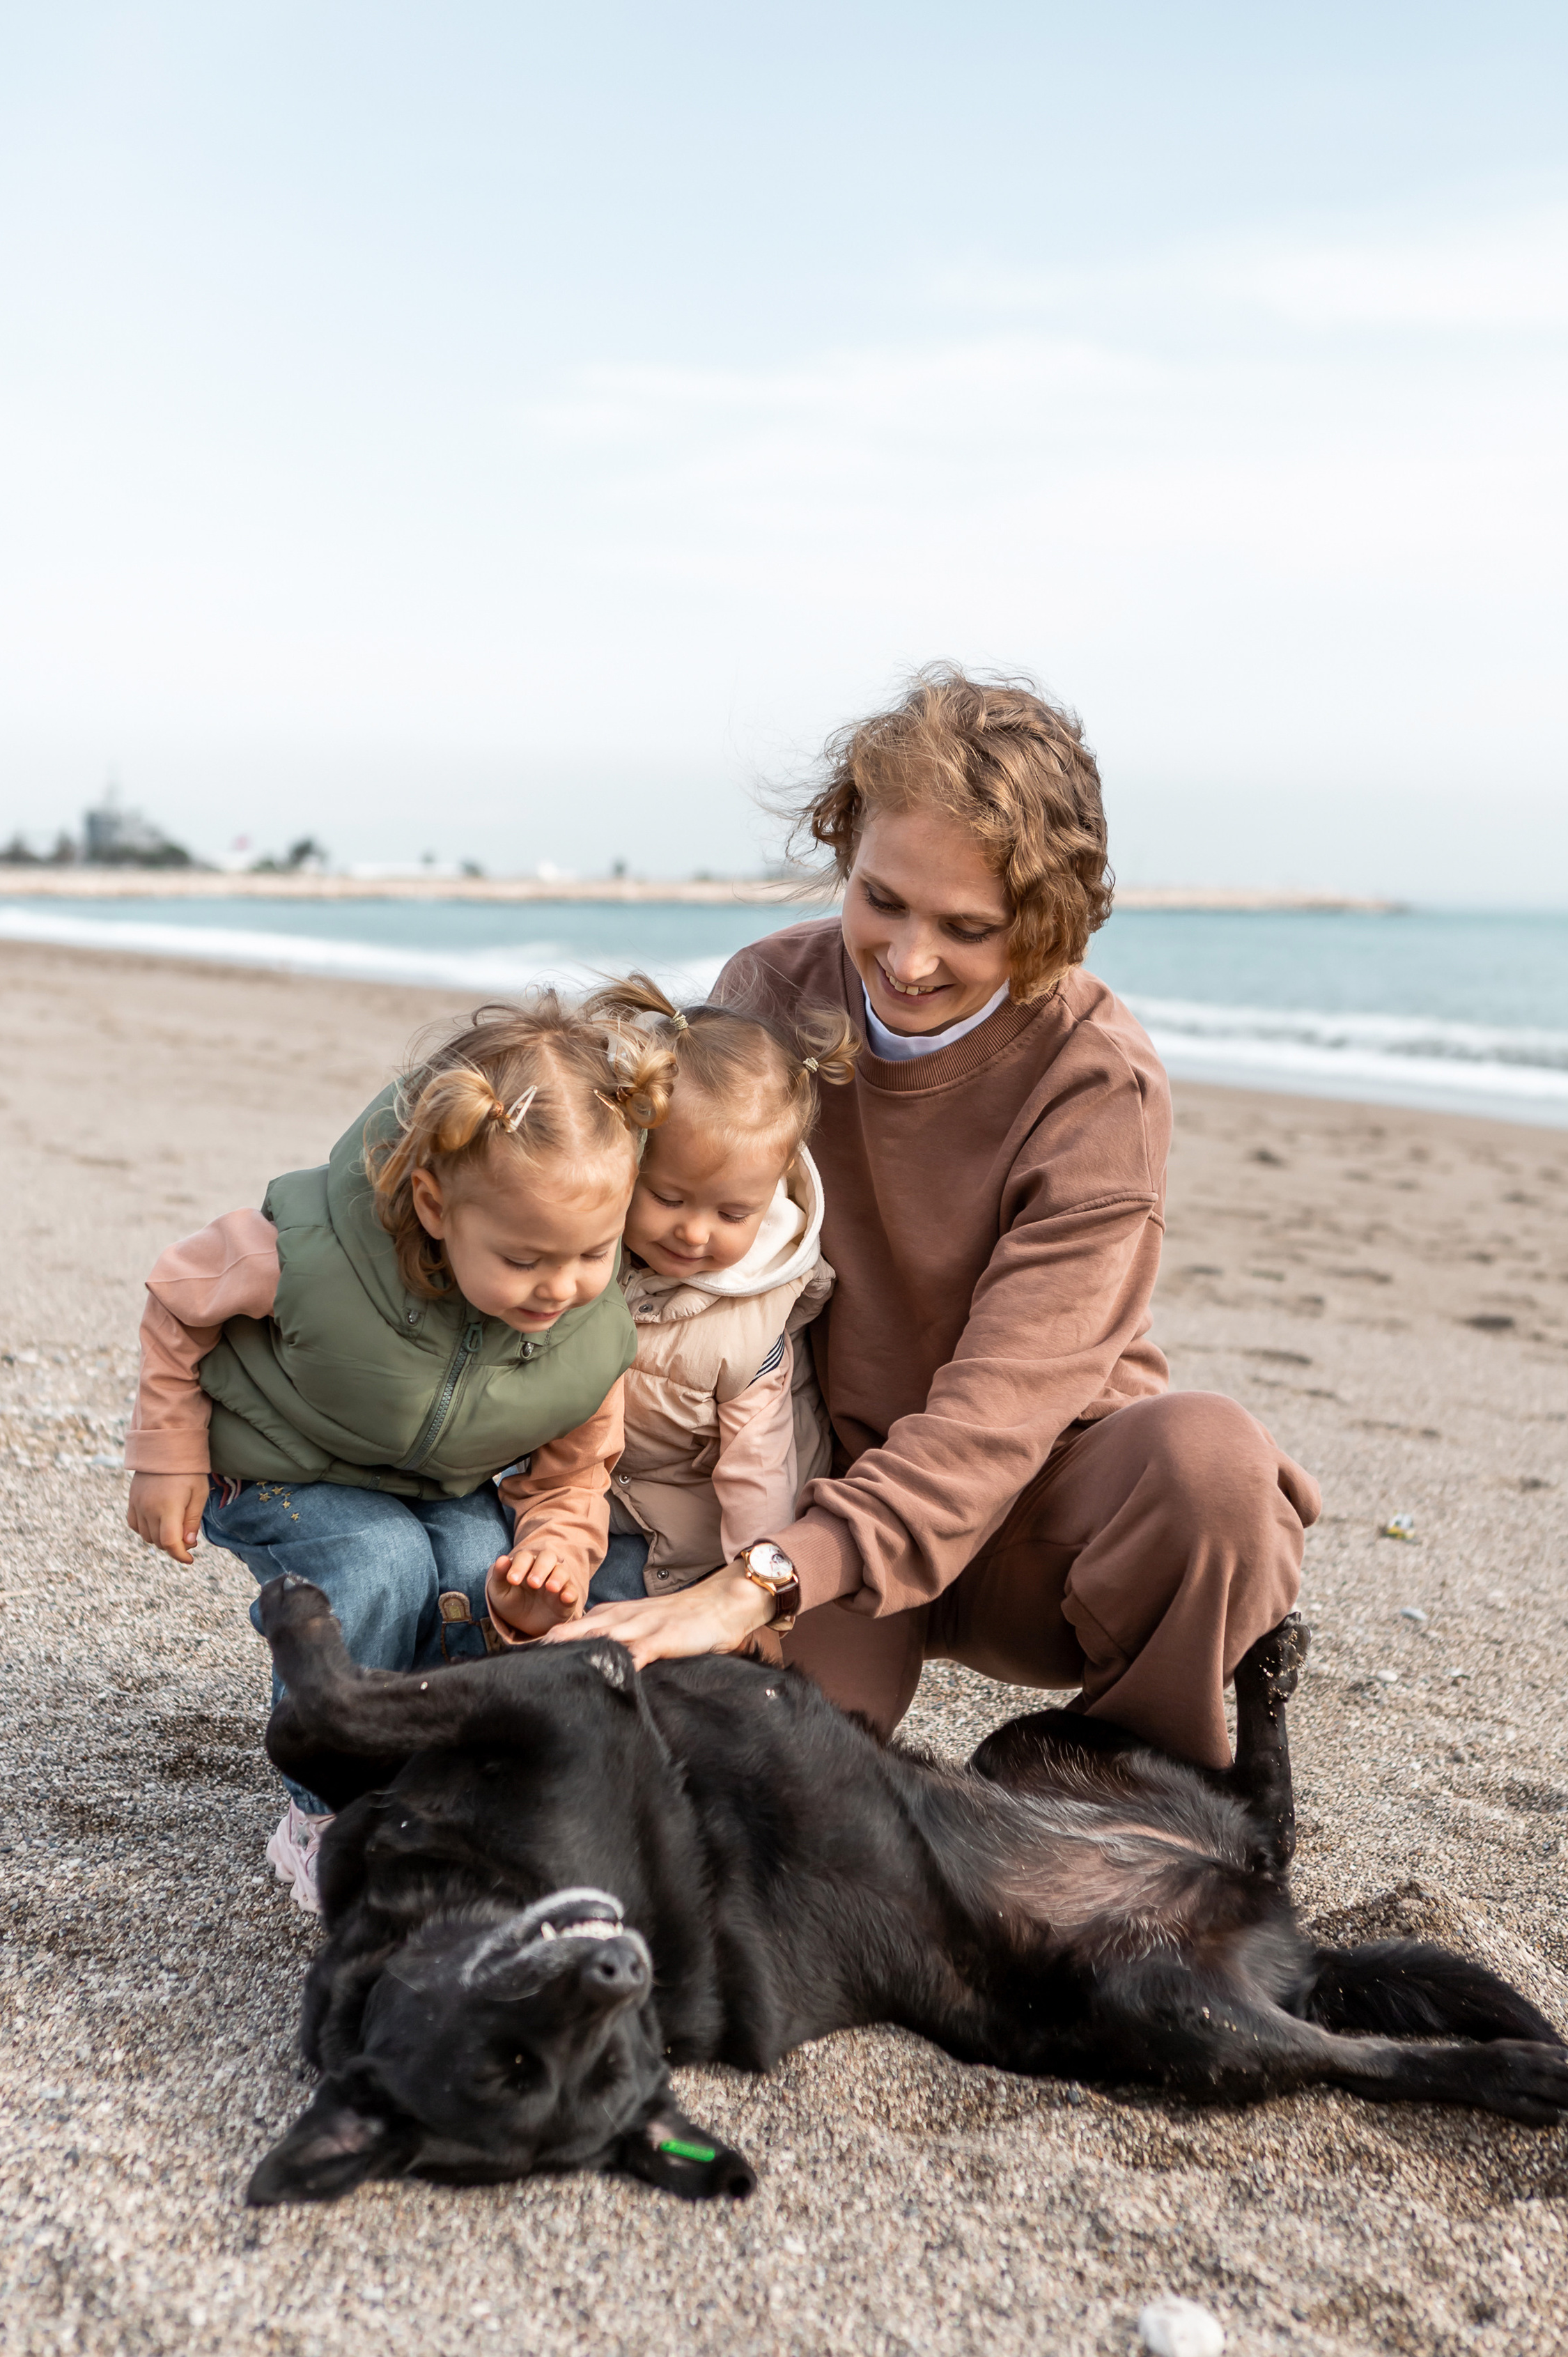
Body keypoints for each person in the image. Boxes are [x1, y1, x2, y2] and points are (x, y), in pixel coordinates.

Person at [549, 667, 1321, 1772]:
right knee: (774, 1789)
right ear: (846, 852)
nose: (908, 961)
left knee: (1217, 1473)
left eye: (968, 928)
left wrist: (764, 1581)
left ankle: (1139, 1788)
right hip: (804, 1481)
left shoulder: (1099, 1082)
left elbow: (1001, 1412)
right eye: (883, 901)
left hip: (1026, 1516)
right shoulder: (768, 993)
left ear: (1047, 926)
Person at [123, 996, 675, 1906]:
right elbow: (179, 1298)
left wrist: (555, 1556)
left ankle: (432, 1781)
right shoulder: (312, 1253)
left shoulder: (591, 1330)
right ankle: (326, 1808)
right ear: (434, 1203)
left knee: (470, 1560)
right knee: (380, 1563)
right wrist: (166, 1452)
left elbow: (575, 1477)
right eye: (526, 1257)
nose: (562, 1286)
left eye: (592, 1253)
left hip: (431, 1480)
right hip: (279, 1462)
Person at [585, 972, 855, 1601]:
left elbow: (757, 1474)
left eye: (732, 1215)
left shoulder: (751, 1323)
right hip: (586, 1494)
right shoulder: (593, 1248)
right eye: (668, 1197)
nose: (694, 1233)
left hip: (693, 1536)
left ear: (773, 1190)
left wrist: (753, 1595)